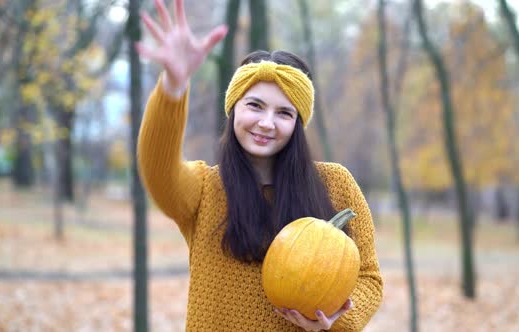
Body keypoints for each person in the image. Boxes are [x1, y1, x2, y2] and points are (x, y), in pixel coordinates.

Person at [136, 0, 383, 330]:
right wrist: (173, 88)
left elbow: (368, 278)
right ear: (234, 109)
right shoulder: (204, 189)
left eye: (284, 113)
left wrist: (335, 322)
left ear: (298, 123)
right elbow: (159, 170)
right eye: (255, 105)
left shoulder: (335, 184)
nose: (267, 123)